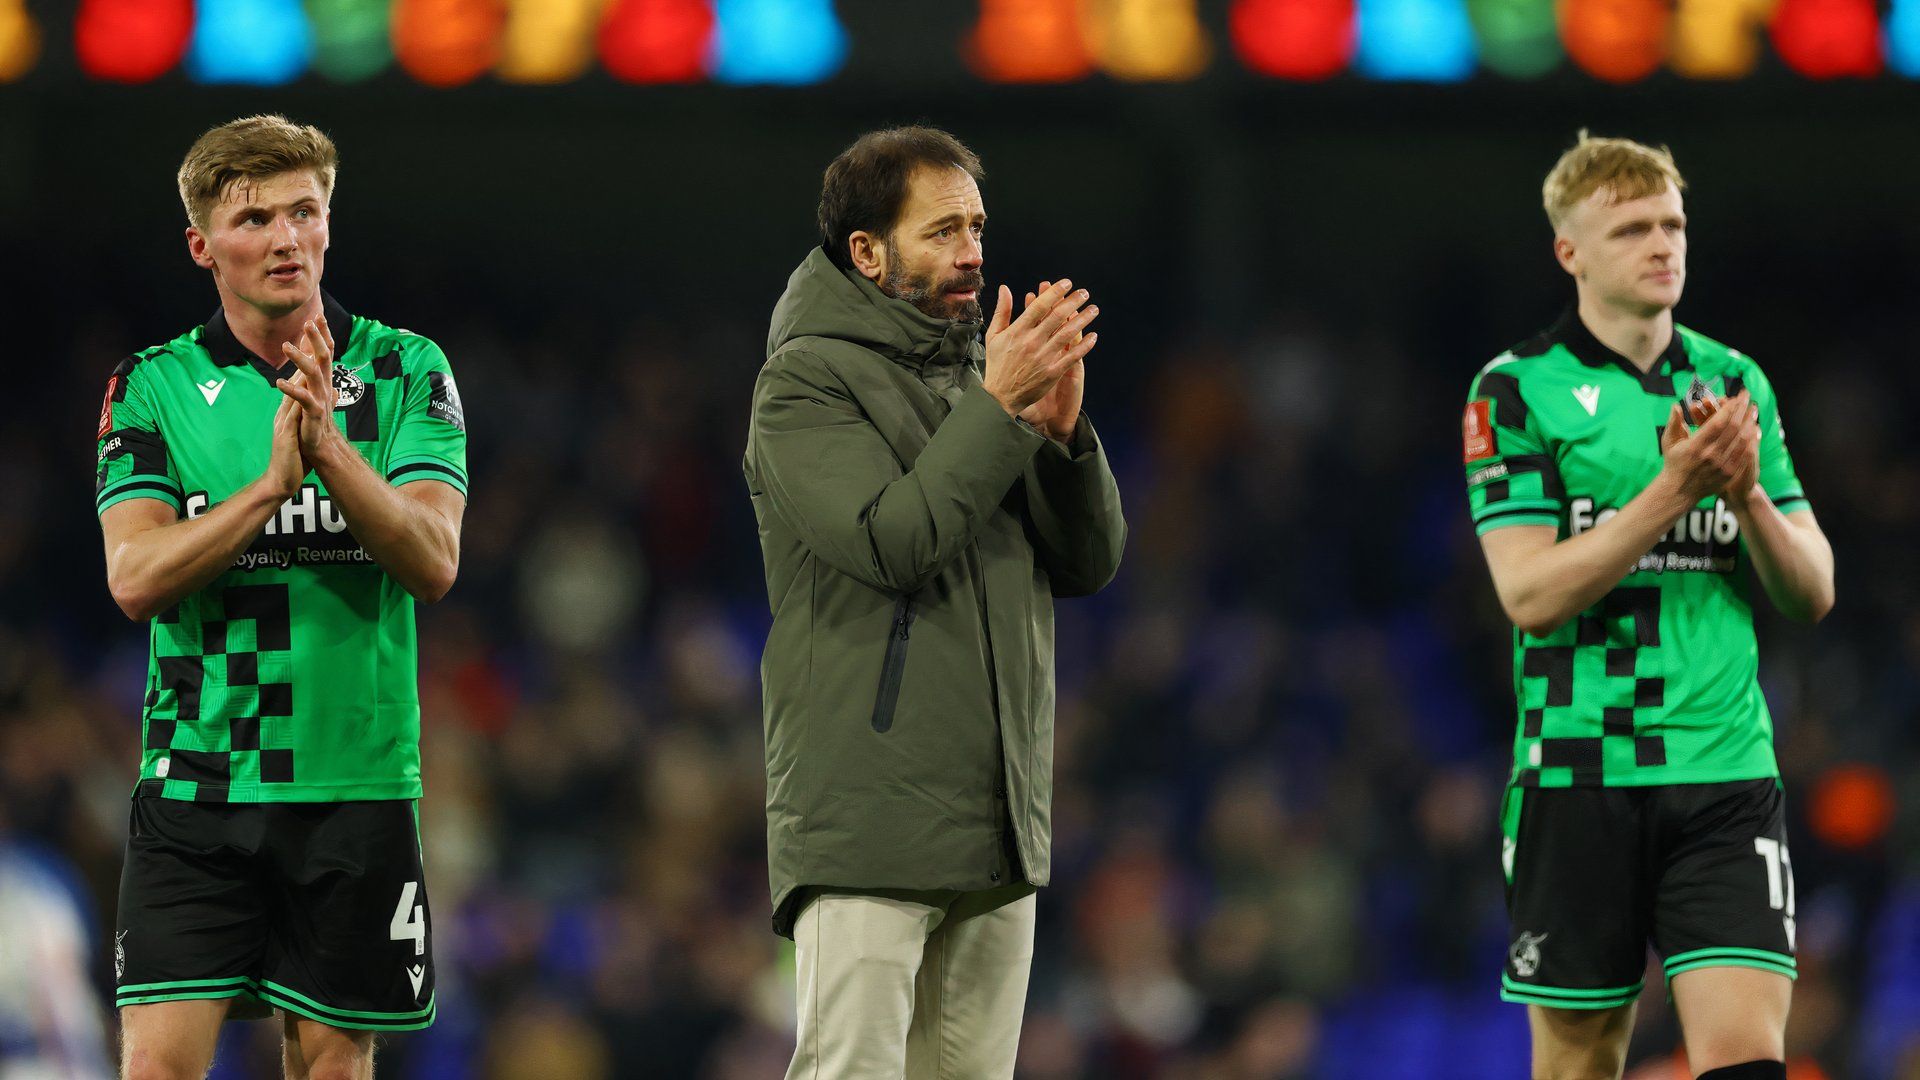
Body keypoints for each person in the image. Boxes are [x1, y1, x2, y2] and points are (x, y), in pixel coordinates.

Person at [743, 126, 1126, 1079]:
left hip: (994, 816)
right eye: (943, 230)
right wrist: (996, 411)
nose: (972, 252)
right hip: (867, 821)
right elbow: (892, 539)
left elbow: (1089, 564)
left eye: (978, 227)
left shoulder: (978, 373)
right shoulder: (803, 381)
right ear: (866, 252)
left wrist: (1065, 435)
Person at [96, 115, 468, 1080]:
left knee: (331, 1072)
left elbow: (433, 560)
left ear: (330, 225)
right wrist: (267, 490)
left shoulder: (403, 369)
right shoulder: (151, 387)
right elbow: (134, 579)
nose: (287, 238)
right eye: (255, 217)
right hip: (198, 783)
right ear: (203, 246)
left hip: (355, 785)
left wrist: (329, 452)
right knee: (157, 1069)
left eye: (305, 211)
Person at [1463, 132, 1835, 1080]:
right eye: (1631, 228)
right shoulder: (1515, 391)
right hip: (1577, 770)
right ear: (1571, 253)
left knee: (1750, 1060)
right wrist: (1675, 491)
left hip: (1723, 763)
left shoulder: (1734, 385)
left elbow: (1813, 590)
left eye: (1672, 224)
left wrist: (1745, 492)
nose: (1662, 244)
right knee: (1583, 1062)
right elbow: (1530, 594)